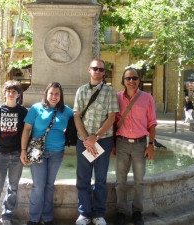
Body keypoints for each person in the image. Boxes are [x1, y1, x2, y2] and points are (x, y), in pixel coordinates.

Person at [73, 58, 119, 225]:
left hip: (103, 141)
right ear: (89, 70)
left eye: (101, 69)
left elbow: (112, 117)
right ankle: (84, 213)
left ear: (104, 72)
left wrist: (96, 137)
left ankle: (99, 213)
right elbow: (76, 115)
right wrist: (86, 138)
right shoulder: (81, 90)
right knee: (83, 178)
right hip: (83, 141)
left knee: (100, 179)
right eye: (95, 68)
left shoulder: (110, 91)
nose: (98, 71)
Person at [20, 82, 74, 225]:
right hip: (38, 152)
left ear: (61, 95)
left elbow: (79, 121)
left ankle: (47, 218)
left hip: (57, 152)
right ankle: (34, 218)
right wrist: (23, 150)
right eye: (51, 93)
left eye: (57, 94)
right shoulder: (36, 109)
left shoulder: (67, 111)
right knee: (38, 185)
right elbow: (26, 130)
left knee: (49, 185)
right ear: (46, 94)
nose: (54, 96)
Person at [114, 68, 157, 225]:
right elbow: (113, 121)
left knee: (139, 180)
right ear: (123, 81)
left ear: (139, 80)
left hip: (140, 144)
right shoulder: (117, 97)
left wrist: (150, 144)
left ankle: (137, 211)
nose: (131, 81)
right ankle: (120, 212)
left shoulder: (147, 98)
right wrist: (113, 144)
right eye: (128, 78)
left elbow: (152, 123)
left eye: (134, 78)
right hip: (122, 143)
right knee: (120, 181)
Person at [0, 80, 28, 225]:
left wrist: (23, 152)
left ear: (18, 95)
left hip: (16, 156)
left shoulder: (23, 112)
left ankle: (7, 216)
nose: (11, 94)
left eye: (14, 91)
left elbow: (26, 133)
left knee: (13, 188)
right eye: (8, 91)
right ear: (4, 93)